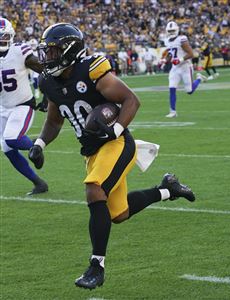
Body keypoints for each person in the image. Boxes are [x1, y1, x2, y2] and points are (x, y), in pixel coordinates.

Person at [28, 23, 196, 290]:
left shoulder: (92, 70)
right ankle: (167, 189)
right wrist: (39, 143)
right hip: (92, 152)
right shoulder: (49, 81)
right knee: (118, 214)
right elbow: (54, 121)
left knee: (94, 190)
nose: (48, 57)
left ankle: (96, 267)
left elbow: (131, 100)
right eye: (46, 52)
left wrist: (115, 131)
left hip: (117, 144)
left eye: (53, 51)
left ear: (70, 50)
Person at [0, 17, 48, 195]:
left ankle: (36, 146)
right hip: (3, 107)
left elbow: (45, 70)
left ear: (10, 35)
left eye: (2, 36)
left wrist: (47, 97)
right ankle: (39, 183)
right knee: (7, 149)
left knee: (12, 138)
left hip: (23, 105)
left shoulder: (19, 51)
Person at [161, 21, 207, 118]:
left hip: (185, 66)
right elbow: (171, 53)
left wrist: (180, 59)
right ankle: (173, 111)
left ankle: (199, 78)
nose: (171, 32)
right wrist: (165, 60)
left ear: (177, 30)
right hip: (175, 68)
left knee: (189, 91)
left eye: (173, 30)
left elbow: (191, 54)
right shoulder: (167, 40)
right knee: (172, 88)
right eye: (170, 31)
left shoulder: (182, 39)